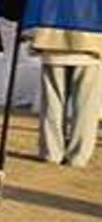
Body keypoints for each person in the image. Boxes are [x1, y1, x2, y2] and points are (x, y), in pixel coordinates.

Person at [34, 32, 101, 168]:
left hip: (53, 41)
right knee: (86, 105)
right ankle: (78, 156)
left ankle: (51, 152)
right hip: (91, 44)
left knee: (52, 100)